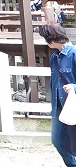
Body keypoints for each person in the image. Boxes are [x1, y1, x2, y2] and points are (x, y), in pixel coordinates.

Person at [38, 23, 76, 167]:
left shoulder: (74, 54)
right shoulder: (55, 58)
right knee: (57, 140)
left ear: (52, 38)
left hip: (73, 105)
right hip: (59, 106)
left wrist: (74, 87)